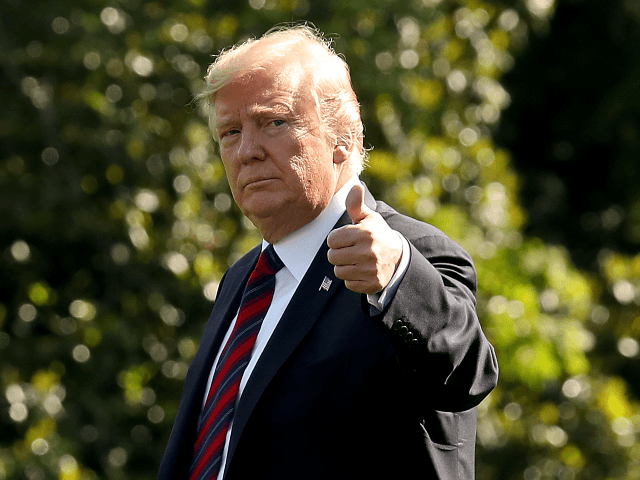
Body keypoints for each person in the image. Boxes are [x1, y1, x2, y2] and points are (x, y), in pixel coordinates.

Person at [158, 25, 498, 480]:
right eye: (230, 132)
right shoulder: (243, 279)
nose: (247, 151)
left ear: (344, 136)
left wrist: (399, 278)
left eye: (274, 122)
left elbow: (468, 375)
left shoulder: (410, 255)